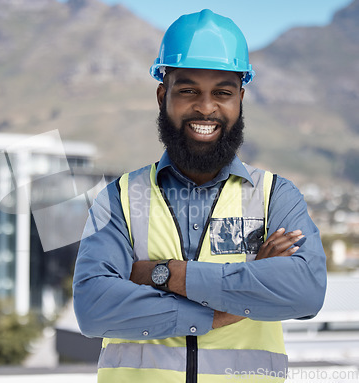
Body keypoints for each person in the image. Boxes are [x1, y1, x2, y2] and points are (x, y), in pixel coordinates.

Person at [73, 9, 327, 383]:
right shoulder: (119, 198)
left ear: (240, 98)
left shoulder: (276, 196)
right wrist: (233, 300)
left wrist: (164, 274)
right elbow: (94, 308)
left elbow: (304, 293)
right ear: (163, 95)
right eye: (188, 90)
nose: (206, 107)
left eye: (222, 92)